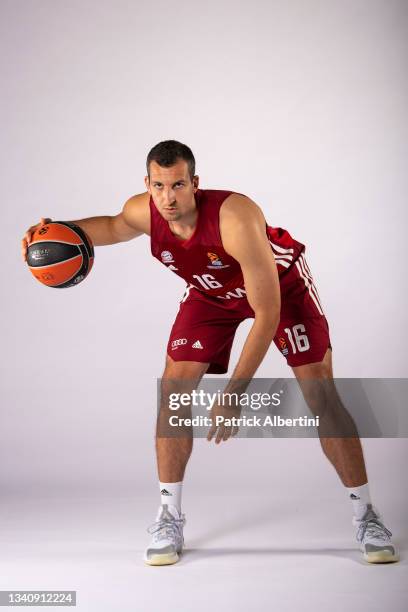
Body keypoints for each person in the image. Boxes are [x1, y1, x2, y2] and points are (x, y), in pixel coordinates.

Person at [22, 140, 399, 566]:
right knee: (174, 389)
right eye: (159, 186)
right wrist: (49, 233)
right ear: (147, 184)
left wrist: (233, 393)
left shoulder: (234, 217)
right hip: (211, 293)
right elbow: (107, 226)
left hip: (279, 290)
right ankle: (168, 515)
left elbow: (267, 313)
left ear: (195, 184)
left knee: (320, 393)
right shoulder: (143, 210)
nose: (168, 197)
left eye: (178, 185)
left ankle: (366, 514)